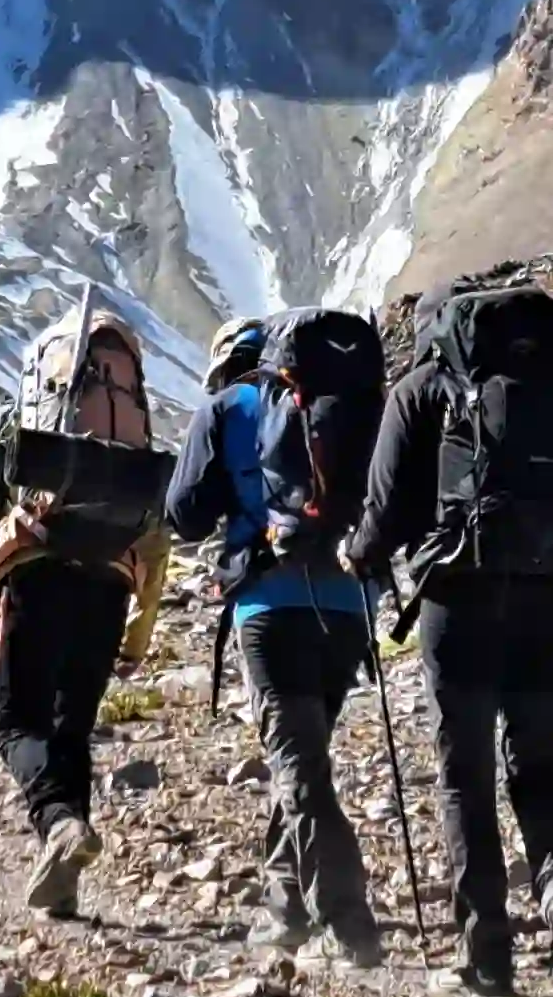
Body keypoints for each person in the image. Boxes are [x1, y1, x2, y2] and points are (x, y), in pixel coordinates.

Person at [349, 279, 553, 995]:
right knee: (537, 765)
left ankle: (487, 948)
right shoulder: (551, 378)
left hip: (459, 597)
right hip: (547, 591)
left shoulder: (423, 387)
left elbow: (386, 508)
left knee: (465, 774)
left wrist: (358, 554)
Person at [0, 312, 174, 919]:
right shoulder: (130, 437)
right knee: (70, 731)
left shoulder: (12, 423)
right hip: (110, 588)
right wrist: (139, 637)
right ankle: (61, 878)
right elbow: (156, 541)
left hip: (35, 577)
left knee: (16, 725)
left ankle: (61, 826)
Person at [164, 307, 389, 963]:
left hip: (270, 607)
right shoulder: (351, 403)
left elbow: (183, 517)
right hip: (350, 606)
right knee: (306, 757)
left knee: (298, 766)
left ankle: (350, 923)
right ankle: (284, 905)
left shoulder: (229, 406)